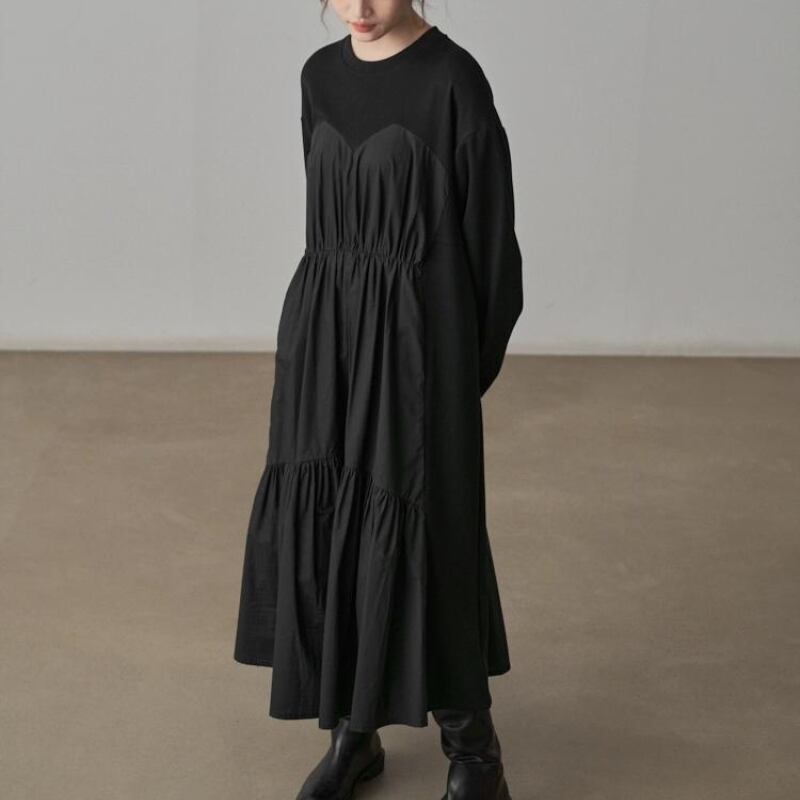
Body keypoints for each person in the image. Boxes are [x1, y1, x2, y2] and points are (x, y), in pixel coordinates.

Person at [234, 2, 523, 798]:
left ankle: (475, 756)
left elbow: (493, 254)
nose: (359, 8)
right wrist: (323, 338)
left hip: (419, 350)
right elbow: (330, 221)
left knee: (431, 533)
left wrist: (451, 374)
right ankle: (353, 734)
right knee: (335, 520)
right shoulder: (318, 76)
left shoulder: (454, 81)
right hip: (324, 338)